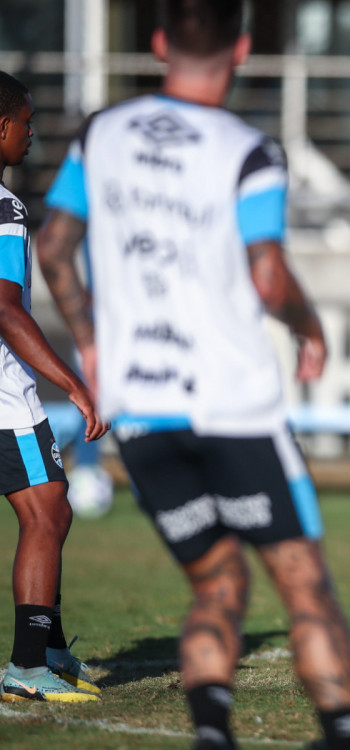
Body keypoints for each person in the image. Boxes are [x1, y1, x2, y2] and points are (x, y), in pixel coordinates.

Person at [36, 2, 350, 747]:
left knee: (217, 584)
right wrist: (309, 329)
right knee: (303, 584)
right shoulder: (248, 150)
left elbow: (55, 248)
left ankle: (213, 732)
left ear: (157, 44)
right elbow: (270, 278)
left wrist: (89, 342)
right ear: (242, 49)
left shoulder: (101, 134)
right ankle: (342, 732)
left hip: (143, 411)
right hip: (232, 405)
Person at [0, 71, 105, 704]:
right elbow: (7, 310)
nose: (32, 132)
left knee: (54, 505)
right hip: (4, 395)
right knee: (46, 509)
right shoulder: (5, 208)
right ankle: (27, 664)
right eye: (25, 122)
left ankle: (51, 645)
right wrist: (74, 382)